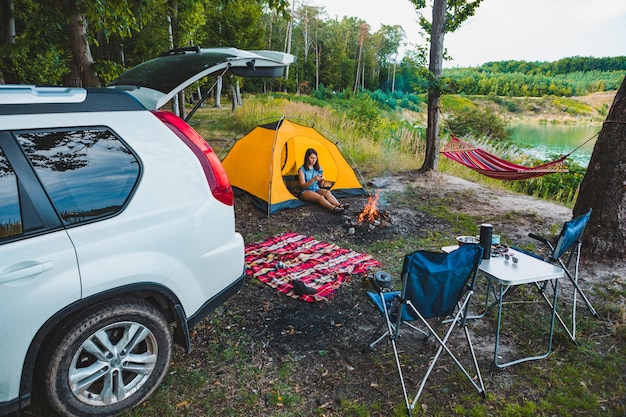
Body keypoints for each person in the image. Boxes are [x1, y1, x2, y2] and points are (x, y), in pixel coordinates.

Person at [298, 148, 349, 214]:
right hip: (306, 191)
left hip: (316, 189)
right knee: (320, 197)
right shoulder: (302, 170)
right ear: (307, 158)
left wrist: (322, 181)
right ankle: (333, 208)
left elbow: (320, 185)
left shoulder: (318, 168)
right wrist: (313, 179)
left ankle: (340, 205)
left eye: (315, 158)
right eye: (312, 158)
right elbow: (303, 186)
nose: (314, 160)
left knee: (327, 192)